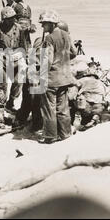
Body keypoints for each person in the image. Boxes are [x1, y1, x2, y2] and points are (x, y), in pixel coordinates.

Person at [37, 10, 77, 143]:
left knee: (49, 108)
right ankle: (65, 133)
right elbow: (74, 52)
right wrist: (62, 60)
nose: (42, 26)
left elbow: (47, 60)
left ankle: (50, 136)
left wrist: (41, 77)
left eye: (44, 24)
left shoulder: (49, 38)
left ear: (51, 24)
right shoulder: (66, 34)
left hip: (52, 79)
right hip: (65, 78)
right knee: (63, 108)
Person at [0, 7, 30, 112]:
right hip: (2, 58)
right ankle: (1, 104)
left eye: (13, 18)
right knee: (2, 82)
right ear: (4, 19)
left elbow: (26, 43)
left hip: (17, 57)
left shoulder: (20, 28)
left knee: (19, 81)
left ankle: (11, 101)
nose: (12, 20)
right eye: (9, 18)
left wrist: (28, 57)